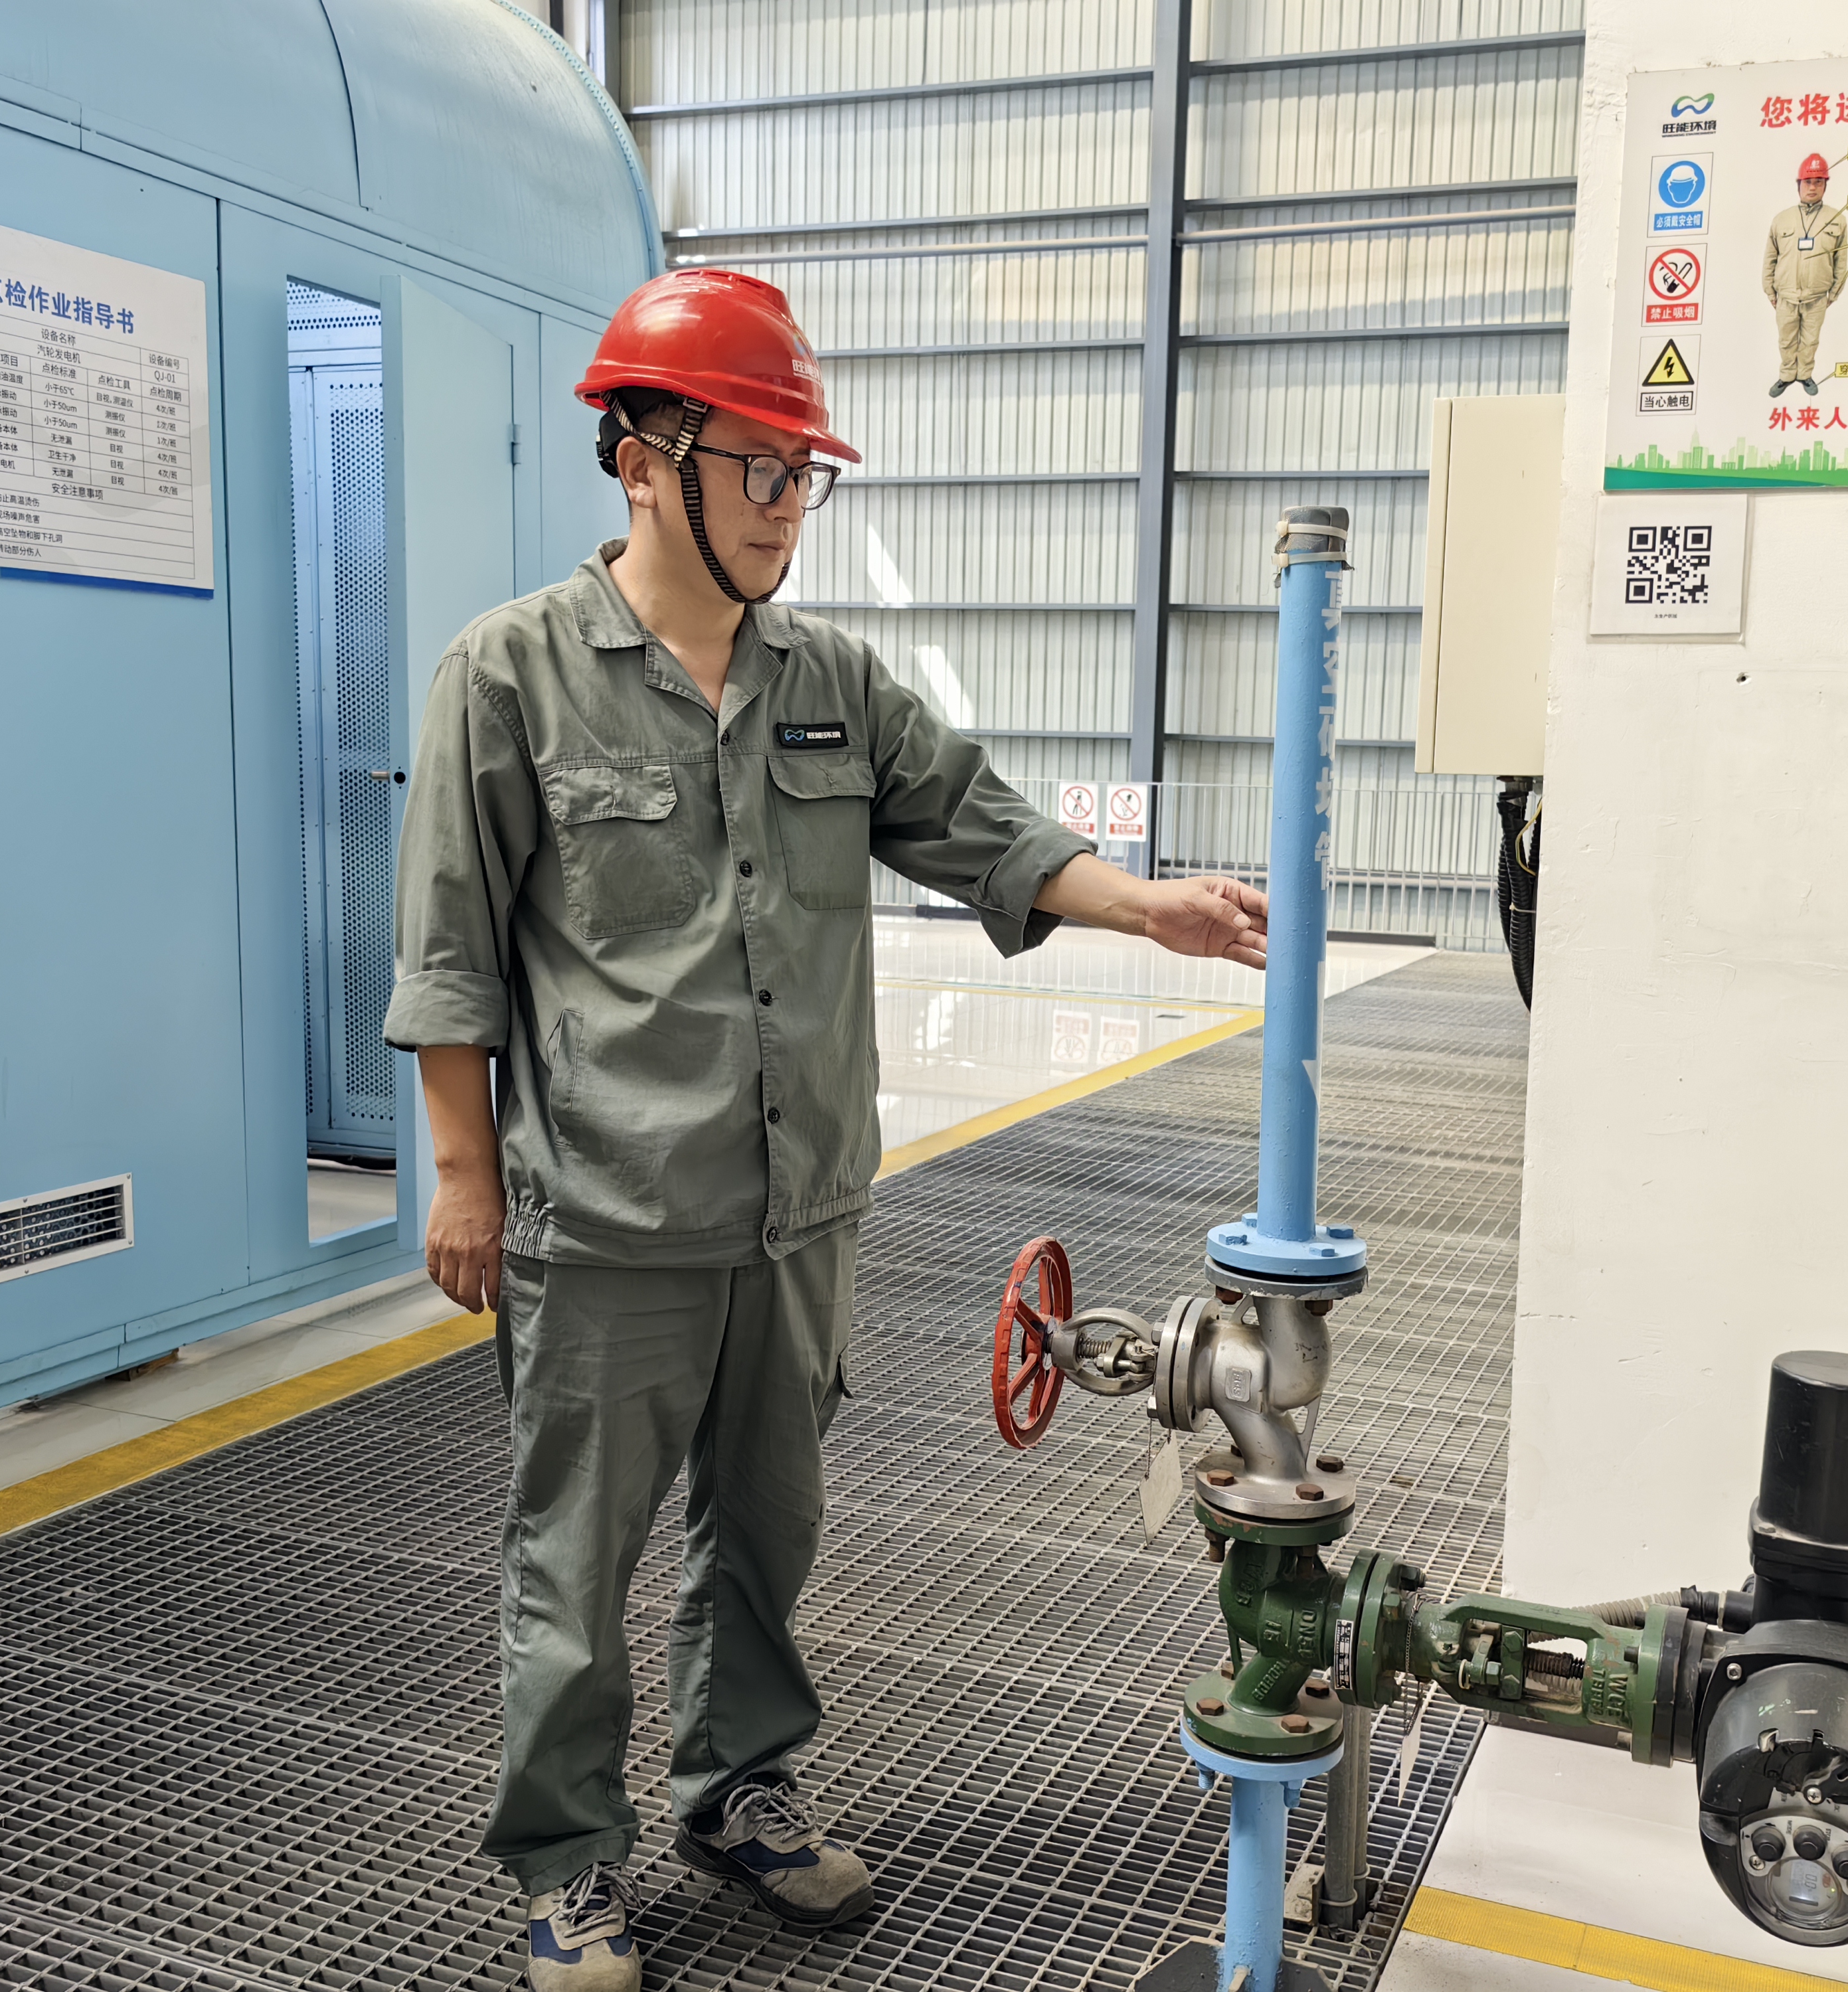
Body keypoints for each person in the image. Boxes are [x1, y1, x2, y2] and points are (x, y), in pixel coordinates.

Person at [381, 268, 1270, 1991]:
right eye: (761, 467)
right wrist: (467, 1180)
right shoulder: (510, 677)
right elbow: (450, 953)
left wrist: (1144, 906)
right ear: (644, 459)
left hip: (795, 1217)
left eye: (807, 475)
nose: (790, 506)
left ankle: (739, 1793)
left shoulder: (832, 683)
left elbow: (982, 829)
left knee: (766, 1535)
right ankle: (567, 1860)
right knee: (576, 1558)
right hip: (608, 1220)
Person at [1763, 151, 1848, 397]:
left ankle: (1804, 375)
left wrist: (1834, 293)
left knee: (1811, 340)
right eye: (1808, 182)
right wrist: (1770, 291)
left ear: (1825, 185)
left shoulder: (1837, 219)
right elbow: (1770, 257)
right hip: (1786, 296)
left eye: (1818, 182)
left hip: (1817, 297)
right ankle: (1786, 375)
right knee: (1786, 340)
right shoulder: (1782, 219)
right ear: (1799, 184)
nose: (1813, 188)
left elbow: (1841, 260)